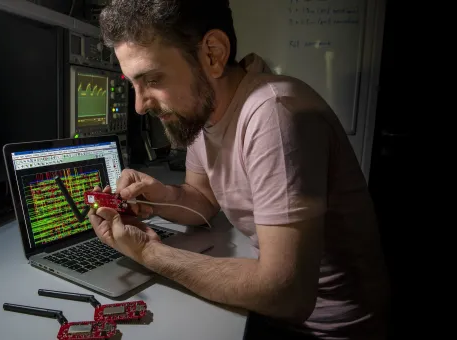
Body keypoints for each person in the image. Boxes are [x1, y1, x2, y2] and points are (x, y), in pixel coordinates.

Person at [88, 0, 389, 339]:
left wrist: (147, 252)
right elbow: (202, 198)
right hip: (282, 313)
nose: (140, 106)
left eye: (153, 79)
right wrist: (158, 198)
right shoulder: (204, 110)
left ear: (213, 54)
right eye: (133, 85)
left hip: (327, 329)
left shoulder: (274, 114)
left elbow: (286, 294)